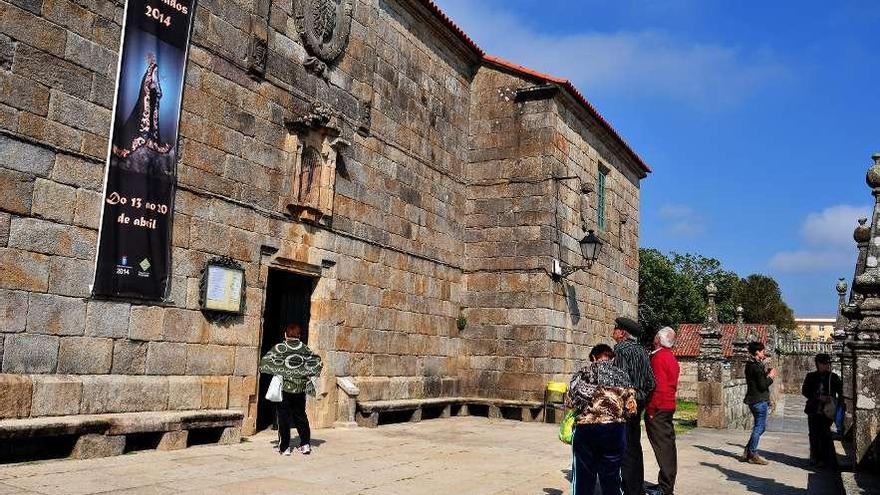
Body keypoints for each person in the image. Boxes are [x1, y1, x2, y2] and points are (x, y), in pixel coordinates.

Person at [566, 344, 638, 495]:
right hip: (615, 431)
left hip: (587, 430)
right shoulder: (623, 376)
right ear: (611, 358)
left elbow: (571, 402)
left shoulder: (585, 373)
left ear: (593, 357)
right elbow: (632, 409)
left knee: (583, 478)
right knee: (612, 479)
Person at [259, 322, 323, 456]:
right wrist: (304, 373)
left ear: (285, 335)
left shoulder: (280, 348)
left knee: (283, 417)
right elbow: (317, 363)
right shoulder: (305, 349)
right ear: (299, 335)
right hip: (300, 390)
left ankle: (285, 447)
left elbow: (265, 362)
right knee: (301, 416)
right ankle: (305, 444)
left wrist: (281, 370)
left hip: (285, 389)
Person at [611, 316, 656, 495]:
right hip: (638, 404)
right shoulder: (643, 351)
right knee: (635, 446)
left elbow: (619, 381)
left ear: (622, 332)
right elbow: (651, 382)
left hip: (625, 406)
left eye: (615, 329)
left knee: (626, 447)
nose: (613, 331)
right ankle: (637, 487)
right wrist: (641, 400)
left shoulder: (621, 349)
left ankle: (630, 489)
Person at [645, 327, 680, 495]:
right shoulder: (670, 357)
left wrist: (651, 409)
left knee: (663, 448)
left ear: (658, 339)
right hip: (667, 405)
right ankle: (665, 484)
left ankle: (666, 488)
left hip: (659, 407)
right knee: (667, 446)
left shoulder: (658, 357)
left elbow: (657, 386)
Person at [801, 353, 842, 468]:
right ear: (818, 364)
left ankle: (824, 459)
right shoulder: (811, 376)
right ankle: (815, 457)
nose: (827, 366)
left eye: (828, 363)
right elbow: (805, 391)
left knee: (825, 434)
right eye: (824, 363)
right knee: (813, 434)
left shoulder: (833, 377)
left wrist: (832, 399)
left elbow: (841, 392)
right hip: (814, 409)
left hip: (827, 411)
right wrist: (818, 397)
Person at [743, 341, 776, 465]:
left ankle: (748, 450)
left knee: (759, 427)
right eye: (762, 351)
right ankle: (752, 452)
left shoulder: (750, 364)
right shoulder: (756, 366)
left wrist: (765, 375)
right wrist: (771, 377)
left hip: (753, 400)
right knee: (759, 427)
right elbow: (762, 386)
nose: (764, 353)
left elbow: (757, 381)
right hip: (759, 400)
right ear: (757, 352)